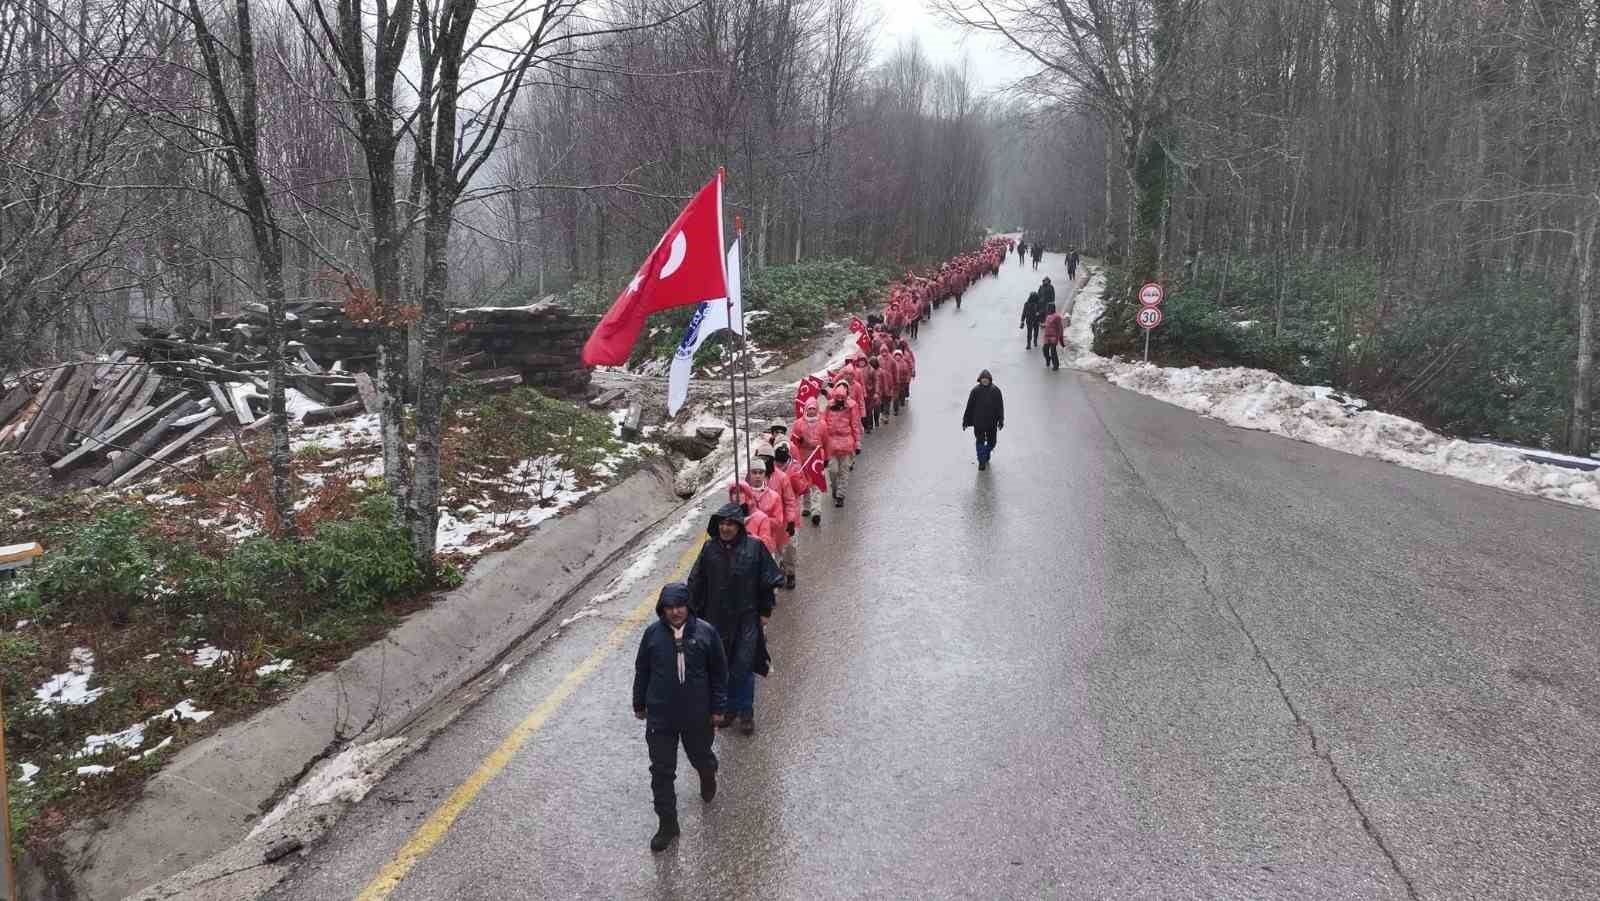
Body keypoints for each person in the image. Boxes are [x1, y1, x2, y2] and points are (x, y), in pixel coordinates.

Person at [633, 582, 727, 852]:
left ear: (688, 607)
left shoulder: (706, 633)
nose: (674, 612)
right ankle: (667, 824)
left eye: (679, 606)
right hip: (661, 716)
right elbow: (642, 671)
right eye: (669, 607)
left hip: (697, 714)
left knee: (700, 755)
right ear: (662, 609)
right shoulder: (652, 635)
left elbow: (720, 674)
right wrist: (639, 703)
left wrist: (718, 708)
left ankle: (707, 772)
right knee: (661, 772)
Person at [687, 504, 783, 736]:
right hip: (715, 619)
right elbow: (696, 583)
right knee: (722, 666)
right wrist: (691, 615)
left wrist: (765, 611)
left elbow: (766, 581)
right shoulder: (709, 549)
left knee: (744, 664)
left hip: (746, 618)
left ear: (739, 526)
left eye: (730, 523)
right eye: (722, 523)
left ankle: (746, 711)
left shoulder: (754, 547)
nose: (725, 527)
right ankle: (729, 708)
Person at [789, 399, 827, 526]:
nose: (811, 411)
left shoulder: (822, 424)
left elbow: (826, 441)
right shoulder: (798, 424)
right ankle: (806, 506)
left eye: (813, 409)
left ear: (816, 410)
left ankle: (816, 511)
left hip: (816, 456)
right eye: (809, 408)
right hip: (802, 455)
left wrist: (826, 456)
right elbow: (792, 442)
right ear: (805, 409)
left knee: (816, 483)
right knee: (804, 483)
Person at [822, 384, 858, 506]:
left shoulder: (851, 407)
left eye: (842, 398)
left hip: (846, 444)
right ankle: (835, 488)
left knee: (844, 471)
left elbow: (855, 425)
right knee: (833, 471)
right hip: (831, 445)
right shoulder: (828, 407)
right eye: (838, 397)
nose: (840, 400)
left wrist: (857, 443)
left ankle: (840, 496)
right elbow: (823, 424)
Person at [961, 370, 1004, 471]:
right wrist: (965, 420)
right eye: (983, 379)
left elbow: (1000, 407)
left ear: (990, 380)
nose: (985, 381)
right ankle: (981, 461)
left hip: (992, 423)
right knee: (979, 441)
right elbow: (969, 406)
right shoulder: (975, 391)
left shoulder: (996, 391)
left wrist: (1001, 420)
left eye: (987, 379)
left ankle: (985, 453)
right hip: (979, 422)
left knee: (992, 442)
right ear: (980, 380)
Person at [1041, 302, 1065, 371]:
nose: (1048, 309)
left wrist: (1061, 339)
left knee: (1053, 351)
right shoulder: (1048, 316)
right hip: (1047, 336)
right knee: (1045, 349)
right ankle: (1048, 358)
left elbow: (1060, 328)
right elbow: (1047, 324)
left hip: (1054, 336)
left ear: (1052, 308)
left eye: (1049, 308)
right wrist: (1043, 325)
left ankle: (1056, 365)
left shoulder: (1057, 317)